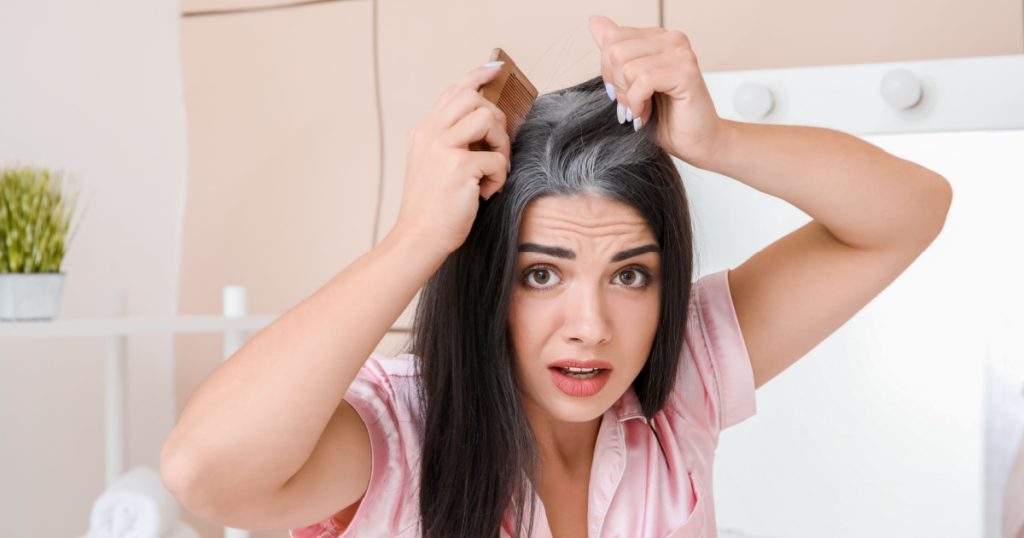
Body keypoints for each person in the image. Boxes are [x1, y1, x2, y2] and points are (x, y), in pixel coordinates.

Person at [159, 15, 953, 538]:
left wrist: (718, 142)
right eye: (542, 275)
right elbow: (205, 473)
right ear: (487, 280)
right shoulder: (399, 435)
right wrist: (412, 241)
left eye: (631, 276)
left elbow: (910, 211)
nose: (591, 324)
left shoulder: (680, 387)